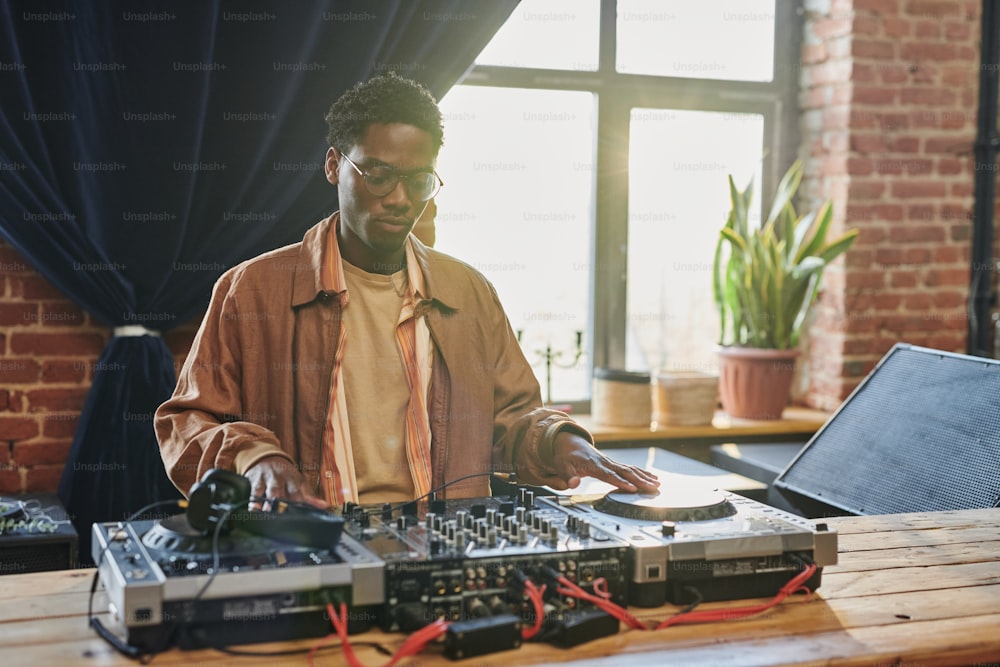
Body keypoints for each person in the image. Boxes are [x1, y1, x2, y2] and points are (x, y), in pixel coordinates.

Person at [155, 73, 659, 509]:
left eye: (418, 181)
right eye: (378, 175)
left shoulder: (470, 292)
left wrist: (562, 442)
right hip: (303, 552)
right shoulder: (250, 291)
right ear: (334, 166)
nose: (399, 199)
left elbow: (515, 418)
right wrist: (254, 456)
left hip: (444, 552)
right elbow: (186, 422)